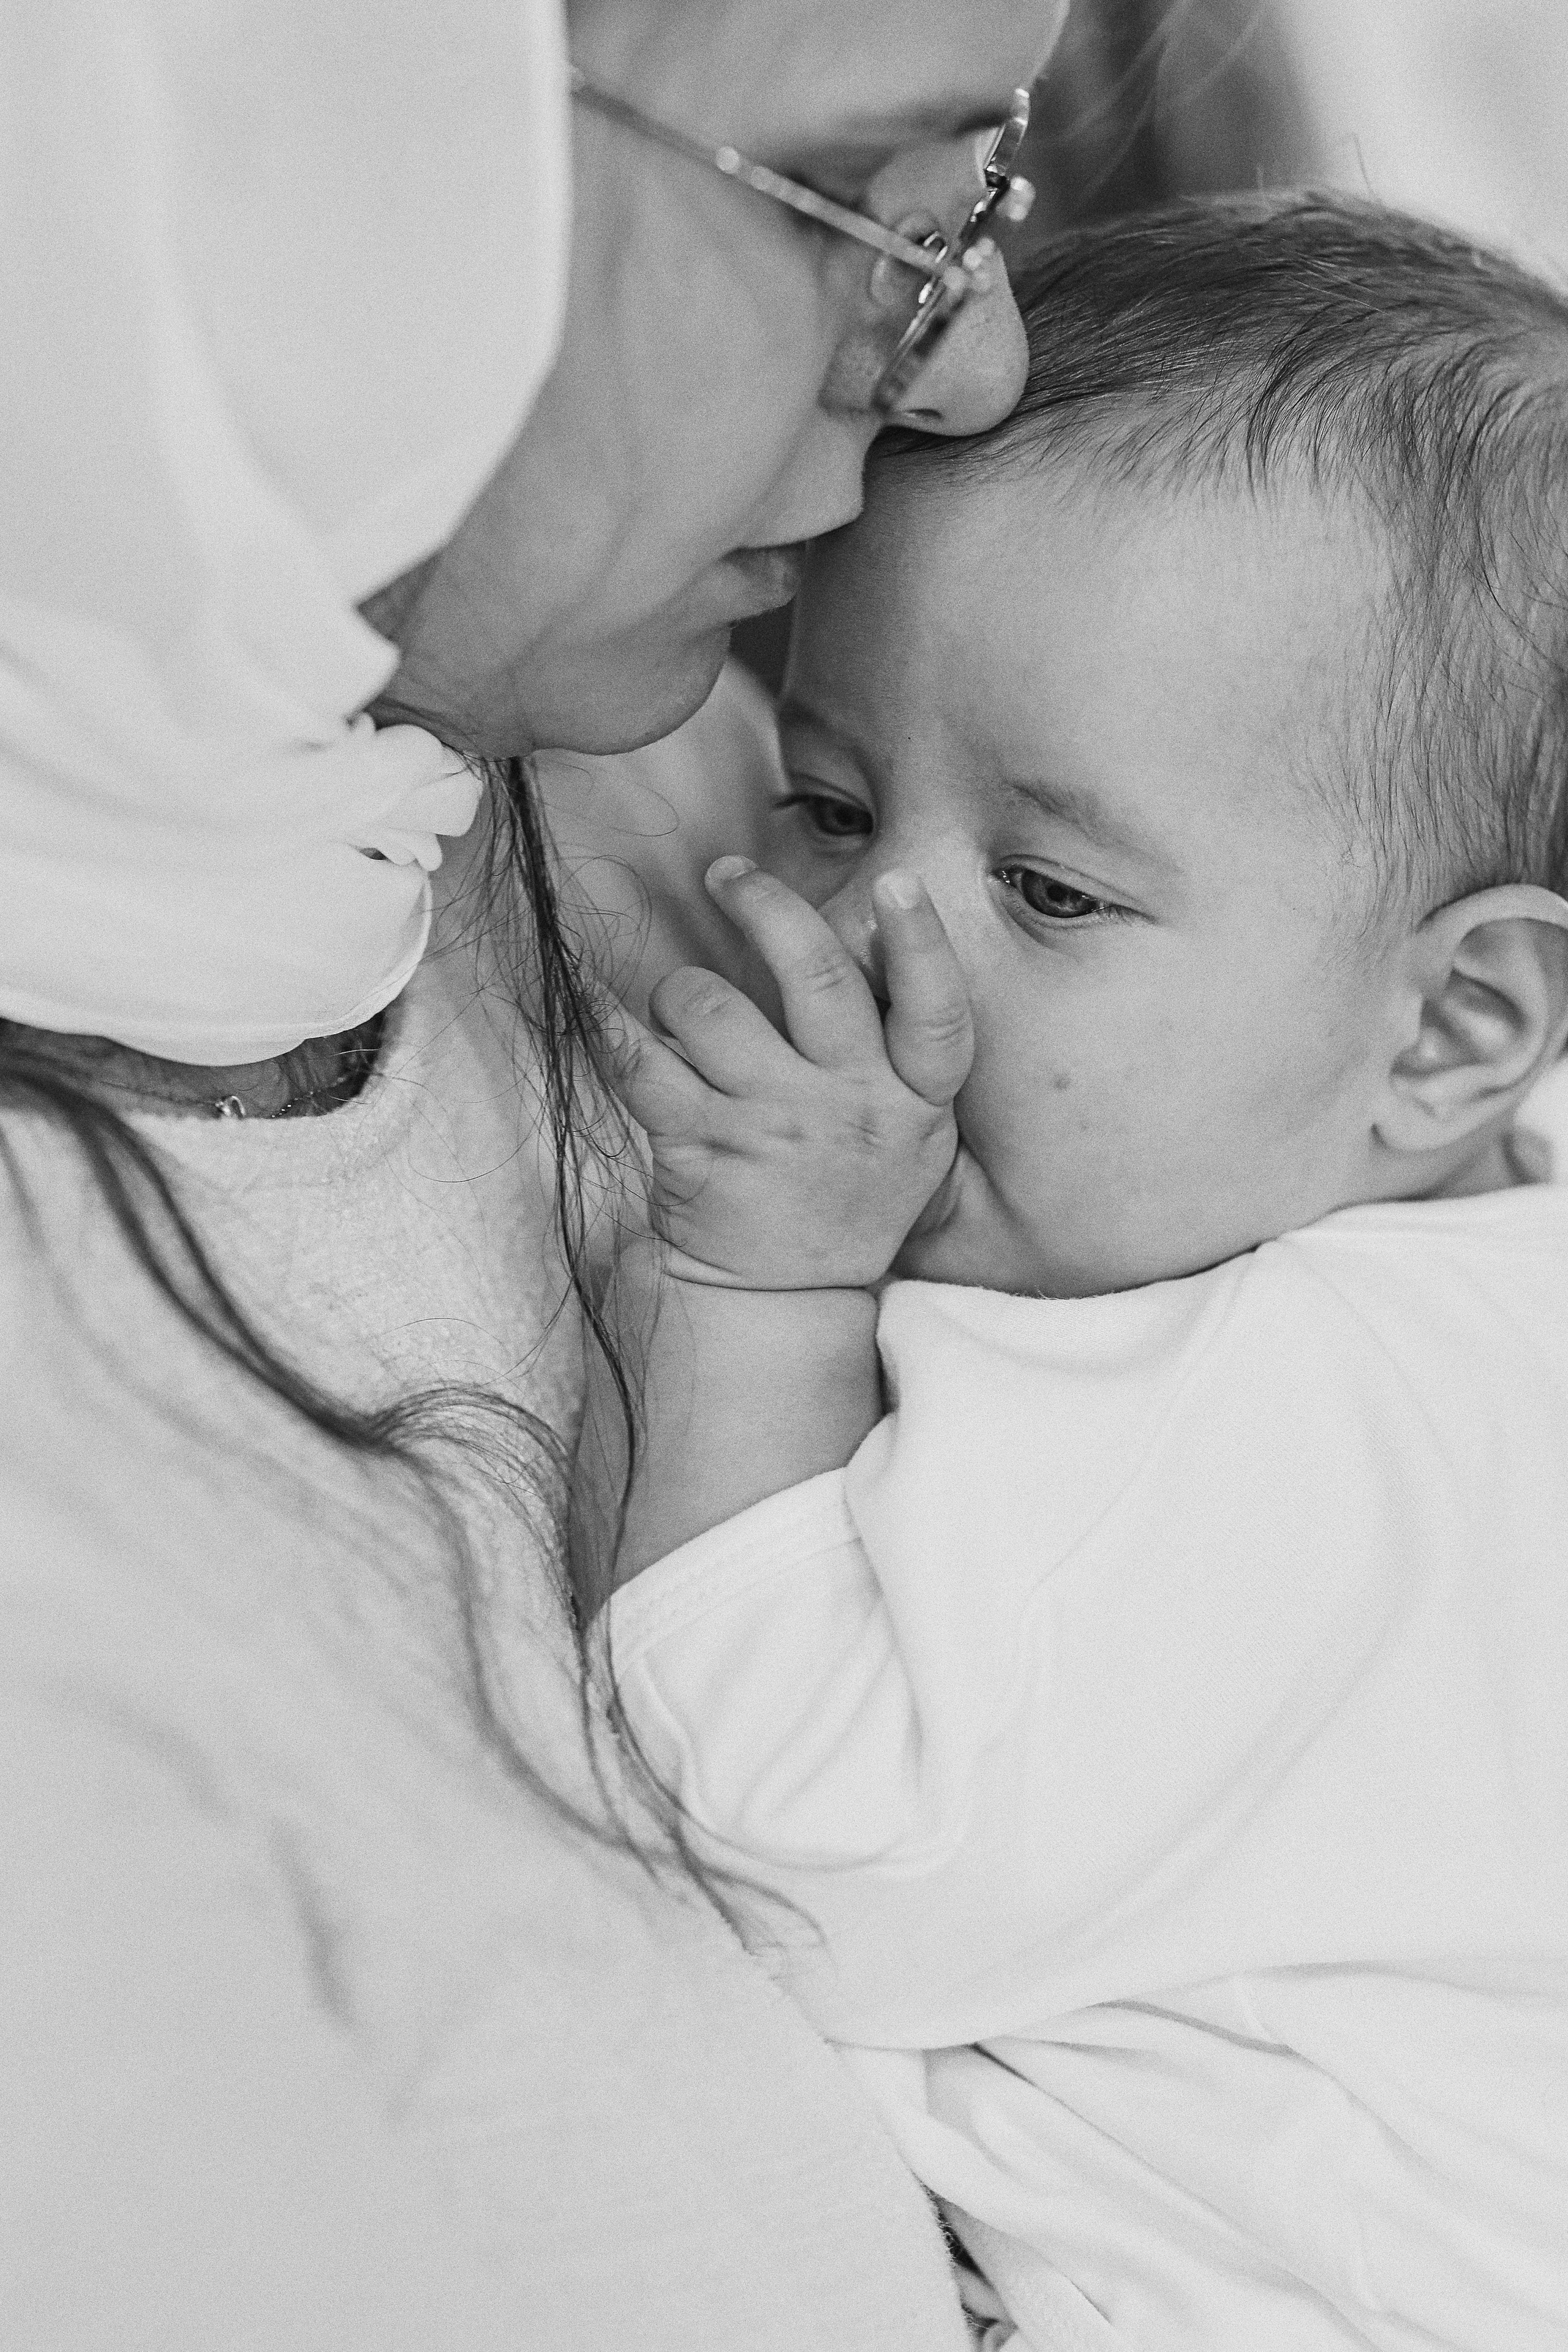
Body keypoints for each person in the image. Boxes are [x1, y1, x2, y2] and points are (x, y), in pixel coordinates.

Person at [0, 2, 1071, 2342]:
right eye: (883, 203)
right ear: (282, 120)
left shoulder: (681, 786)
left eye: (985, 199)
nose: (972, 361)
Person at [567, 197, 1568, 2348]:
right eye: (829, 806)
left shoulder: (1310, 1410)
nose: (870, 941)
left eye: (1048, 886)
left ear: (1456, 1031)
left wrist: (759, 1303)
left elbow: (812, 1853)